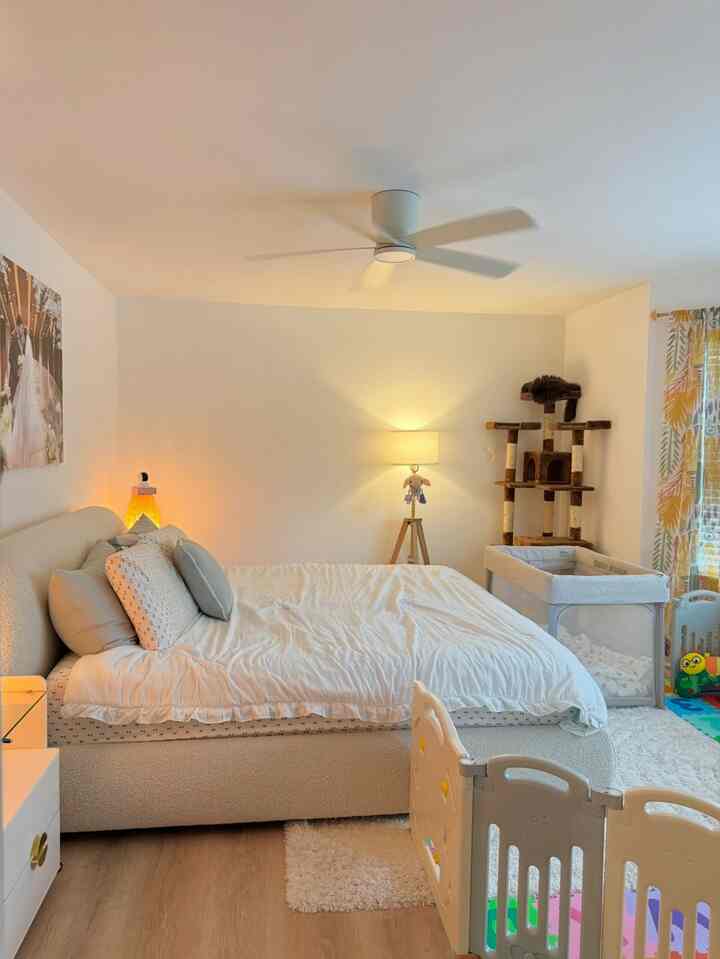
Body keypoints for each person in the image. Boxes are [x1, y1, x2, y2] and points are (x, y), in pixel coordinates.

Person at [6, 328, 47, 468]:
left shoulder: (30, 364)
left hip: (24, 386)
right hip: (19, 384)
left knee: (28, 416)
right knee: (22, 417)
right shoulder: (13, 343)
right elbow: (12, 364)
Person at [8, 316, 27, 408]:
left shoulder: (22, 341)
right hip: (14, 376)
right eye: (22, 328)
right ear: (18, 327)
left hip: (21, 375)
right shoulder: (13, 340)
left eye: (23, 328)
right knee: (14, 401)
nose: (23, 330)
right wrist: (17, 371)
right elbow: (11, 358)